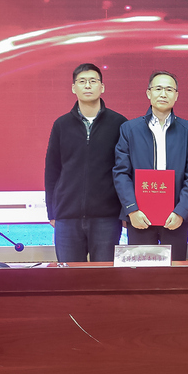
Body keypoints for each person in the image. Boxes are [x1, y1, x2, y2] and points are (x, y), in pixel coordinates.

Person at [113, 71, 188, 261]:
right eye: (158, 88)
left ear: (176, 95)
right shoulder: (129, 129)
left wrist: (181, 212)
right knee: (141, 273)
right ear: (149, 93)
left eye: (169, 90)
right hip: (140, 218)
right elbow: (121, 173)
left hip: (175, 218)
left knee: (175, 273)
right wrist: (132, 209)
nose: (163, 94)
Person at [44, 63, 127, 262]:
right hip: (67, 217)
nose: (87, 86)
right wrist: (52, 211)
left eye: (93, 81)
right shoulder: (61, 125)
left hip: (107, 217)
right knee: (69, 277)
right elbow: (52, 171)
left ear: (102, 87)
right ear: (74, 88)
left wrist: (125, 211)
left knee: (105, 276)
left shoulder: (119, 123)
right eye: (82, 81)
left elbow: (126, 171)